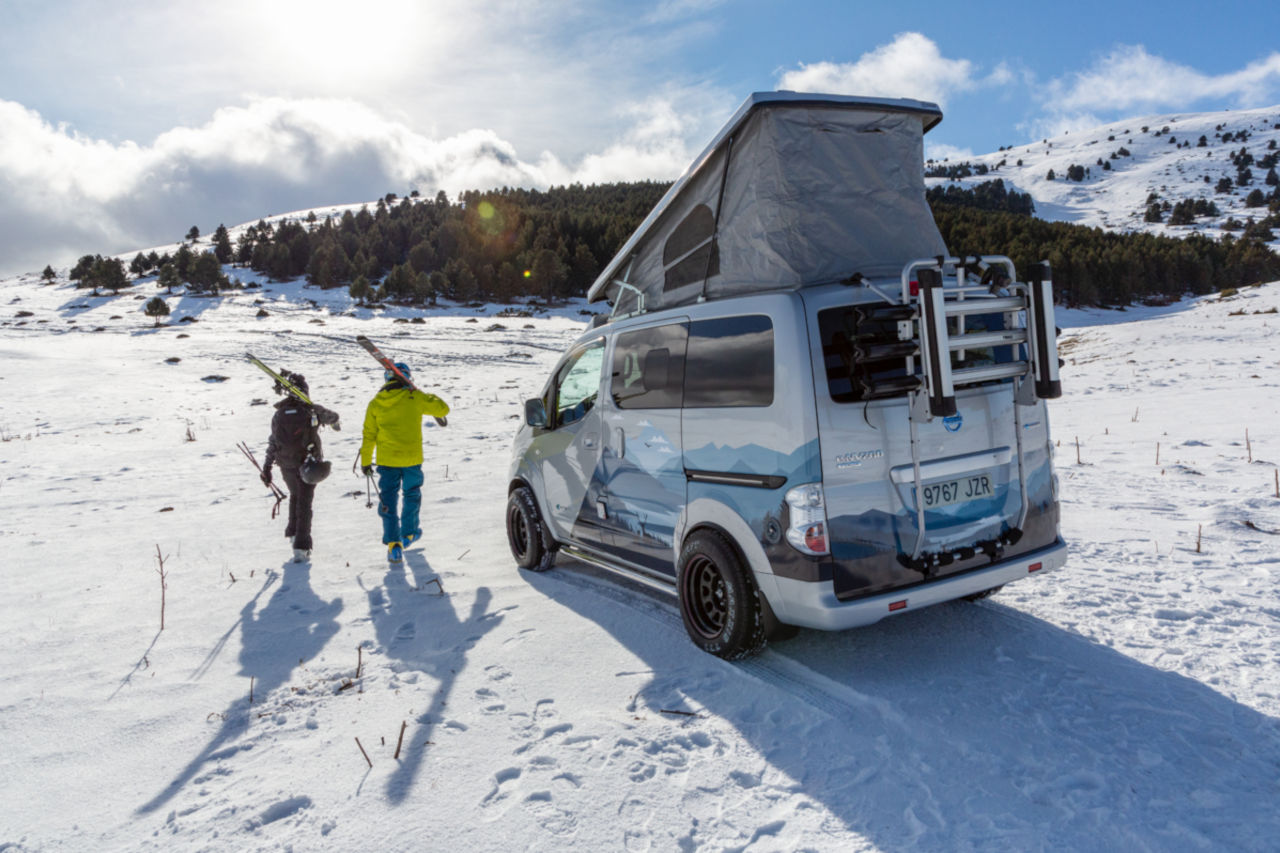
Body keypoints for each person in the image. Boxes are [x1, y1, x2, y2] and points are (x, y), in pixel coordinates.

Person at [359, 361, 450, 563]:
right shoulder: (415, 397)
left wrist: (366, 461)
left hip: (387, 461)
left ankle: (394, 545)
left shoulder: (376, 403)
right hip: (411, 460)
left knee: (388, 499)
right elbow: (443, 409)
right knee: (411, 494)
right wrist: (422, 393)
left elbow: (369, 435)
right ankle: (408, 534)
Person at [261, 371, 341, 563]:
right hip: (307, 464)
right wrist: (335, 423)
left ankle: (293, 534)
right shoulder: (311, 410)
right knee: (305, 503)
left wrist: (267, 467)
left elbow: (273, 441)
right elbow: (333, 417)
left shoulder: (279, 414)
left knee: (295, 497)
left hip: (285, 464)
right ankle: (301, 547)